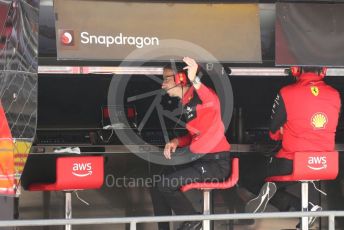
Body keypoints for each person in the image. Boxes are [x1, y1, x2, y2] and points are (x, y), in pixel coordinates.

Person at [243, 66, 341, 228]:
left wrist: (283, 132)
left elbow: (273, 131)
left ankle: (297, 204)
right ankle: (302, 206)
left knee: (249, 177)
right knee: (272, 180)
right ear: (323, 71)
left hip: (291, 163)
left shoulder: (287, 92)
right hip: (325, 164)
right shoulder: (335, 94)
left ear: (295, 70)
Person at [154, 57, 231, 230]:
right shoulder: (187, 102)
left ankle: (192, 221)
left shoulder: (202, 97)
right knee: (158, 182)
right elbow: (195, 136)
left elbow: (213, 102)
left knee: (166, 184)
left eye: (166, 79)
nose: (163, 84)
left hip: (216, 163)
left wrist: (195, 78)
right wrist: (177, 141)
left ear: (181, 78)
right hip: (200, 160)